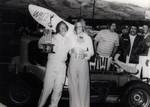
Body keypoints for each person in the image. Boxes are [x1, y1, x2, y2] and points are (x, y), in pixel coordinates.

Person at [38, 21, 71, 107]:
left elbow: (72, 51)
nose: (63, 28)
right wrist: (47, 31)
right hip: (52, 65)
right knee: (47, 89)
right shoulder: (52, 36)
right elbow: (40, 45)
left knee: (58, 90)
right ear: (58, 29)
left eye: (65, 27)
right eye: (61, 27)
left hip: (62, 66)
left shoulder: (68, 40)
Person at [68, 21, 94, 107]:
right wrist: (71, 51)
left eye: (80, 26)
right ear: (75, 28)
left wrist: (85, 53)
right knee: (73, 85)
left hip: (83, 62)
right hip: (73, 61)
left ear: (83, 27)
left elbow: (92, 52)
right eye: (77, 27)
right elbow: (68, 50)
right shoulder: (71, 37)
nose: (79, 28)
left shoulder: (87, 38)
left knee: (83, 85)